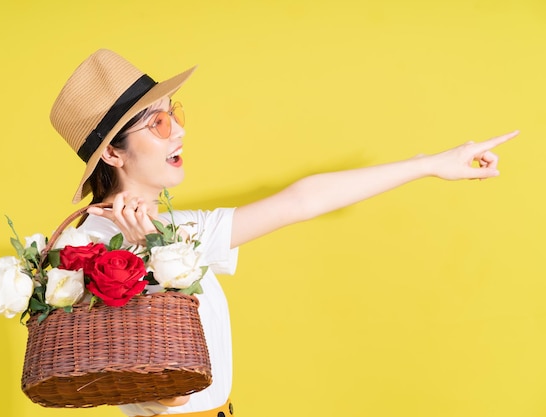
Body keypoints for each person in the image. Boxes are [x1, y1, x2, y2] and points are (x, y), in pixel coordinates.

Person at [49, 49, 518, 417]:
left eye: (176, 114)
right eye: (159, 123)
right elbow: (144, 384)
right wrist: (150, 256)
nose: (179, 133)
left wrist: (432, 164)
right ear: (113, 152)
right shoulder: (78, 252)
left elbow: (303, 200)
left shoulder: (178, 231)